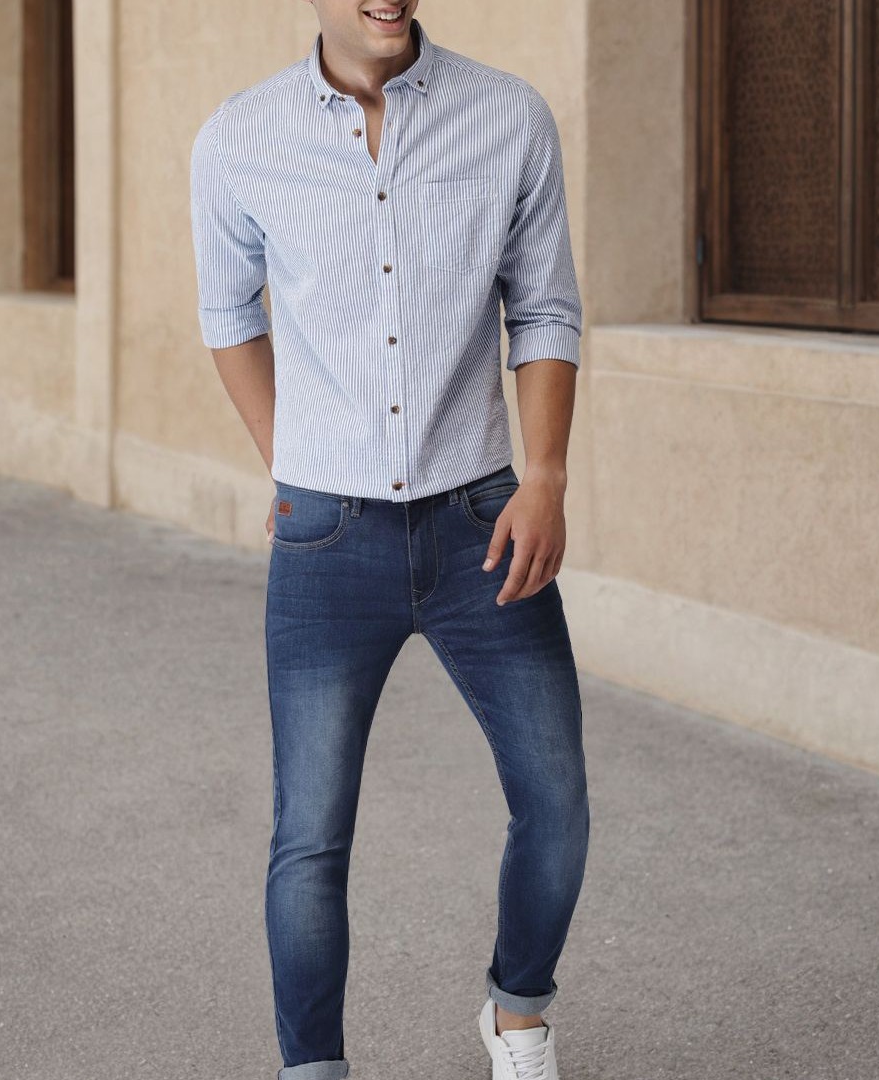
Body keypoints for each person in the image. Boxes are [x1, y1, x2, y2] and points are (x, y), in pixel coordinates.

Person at [189, 3, 589, 1078]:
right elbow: (229, 315)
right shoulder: (238, 137)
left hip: (483, 526)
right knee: (310, 838)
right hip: (325, 540)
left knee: (556, 802)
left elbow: (544, 309)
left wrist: (546, 476)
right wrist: (291, 460)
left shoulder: (507, 118)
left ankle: (518, 1014)